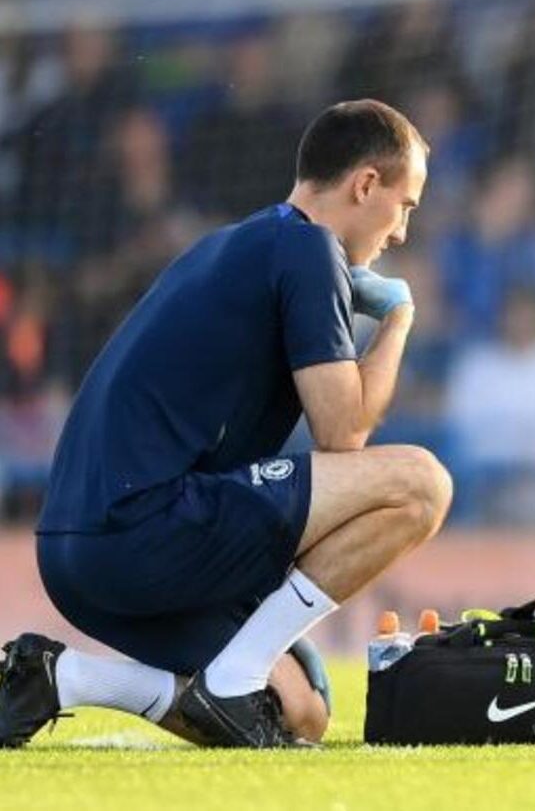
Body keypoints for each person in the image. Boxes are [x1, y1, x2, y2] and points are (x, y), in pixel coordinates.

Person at [1, 100, 450, 749]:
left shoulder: (234, 244)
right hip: (139, 526)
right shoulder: (308, 249)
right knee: (422, 485)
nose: (402, 231)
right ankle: (234, 681)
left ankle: (62, 678)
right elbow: (344, 434)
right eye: (406, 205)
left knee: (301, 713)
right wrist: (399, 323)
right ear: (366, 185)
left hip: (77, 547)